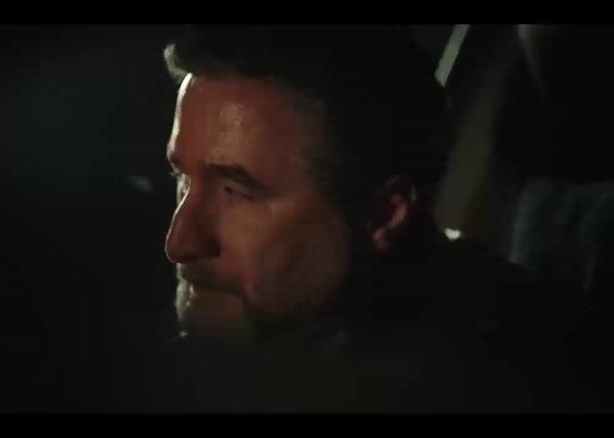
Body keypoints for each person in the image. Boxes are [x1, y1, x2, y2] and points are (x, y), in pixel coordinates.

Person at [148, 25, 587, 412]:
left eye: (235, 193)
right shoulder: (187, 365)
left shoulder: (536, 379)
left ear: (384, 215)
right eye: (182, 179)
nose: (179, 242)